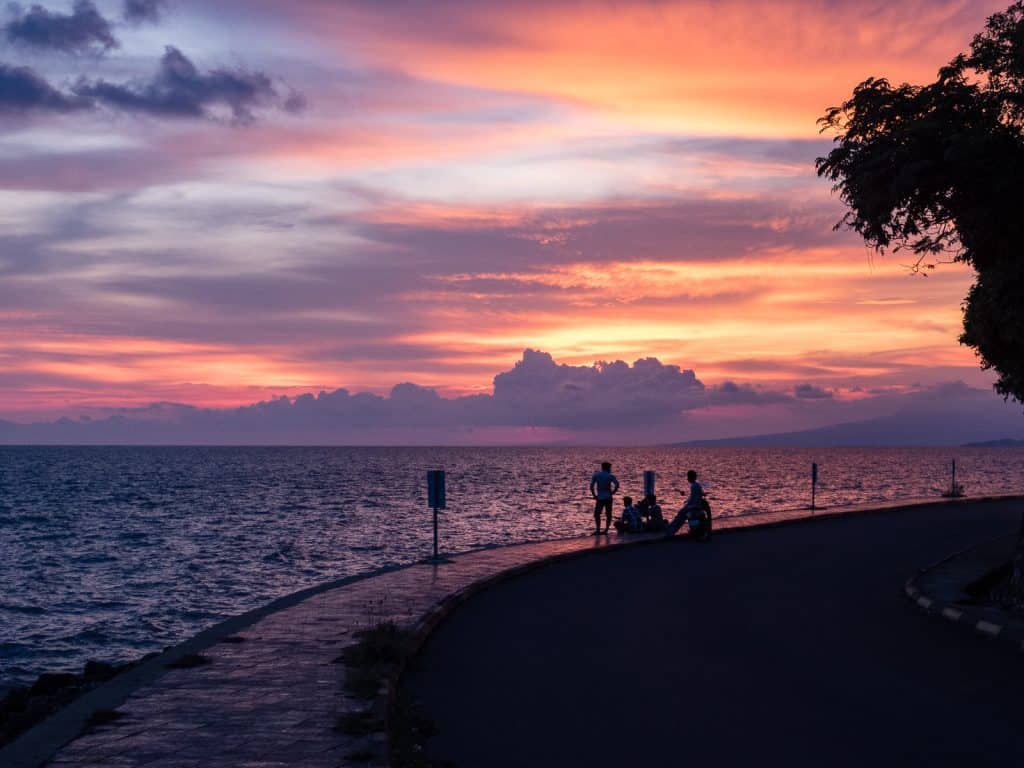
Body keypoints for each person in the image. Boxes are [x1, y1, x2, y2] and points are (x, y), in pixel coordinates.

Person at [666, 470, 705, 537]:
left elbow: (693, 499)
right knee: (680, 514)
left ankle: (671, 530)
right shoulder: (697, 485)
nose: (687, 478)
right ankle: (671, 529)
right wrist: (687, 502)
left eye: (688, 477)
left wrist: (687, 505)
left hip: (693, 506)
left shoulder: (694, 486)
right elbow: (695, 496)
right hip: (695, 505)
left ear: (690, 477)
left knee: (680, 515)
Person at [589, 461, 619, 534]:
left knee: (597, 514)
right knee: (608, 514)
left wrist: (594, 495)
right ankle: (606, 530)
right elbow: (617, 484)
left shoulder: (596, 475)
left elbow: (591, 486)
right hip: (608, 497)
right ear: (608, 468)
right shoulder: (610, 476)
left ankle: (598, 529)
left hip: (600, 498)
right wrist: (613, 492)